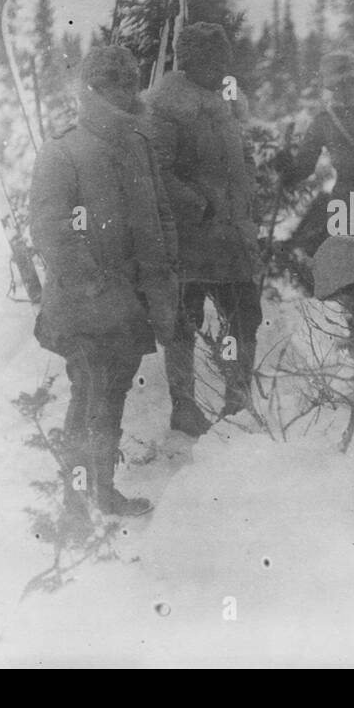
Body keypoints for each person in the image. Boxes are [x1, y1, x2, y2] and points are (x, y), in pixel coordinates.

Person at [30, 46, 177, 517]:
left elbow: (159, 217)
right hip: (84, 304)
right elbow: (51, 232)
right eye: (111, 83)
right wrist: (94, 284)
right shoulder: (63, 152)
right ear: (91, 89)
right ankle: (73, 501)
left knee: (112, 395)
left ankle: (103, 490)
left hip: (130, 303)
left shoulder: (139, 146)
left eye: (128, 82)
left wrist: (162, 278)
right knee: (87, 394)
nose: (122, 91)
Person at [141, 23, 262, 436]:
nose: (221, 68)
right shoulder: (165, 107)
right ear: (190, 61)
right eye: (213, 61)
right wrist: (200, 204)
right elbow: (157, 170)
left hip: (231, 236)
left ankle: (238, 397)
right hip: (193, 238)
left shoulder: (221, 99)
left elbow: (239, 153)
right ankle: (184, 406)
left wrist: (249, 189)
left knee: (244, 314)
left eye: (223, 60)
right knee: (184, 321)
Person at [270, 51, 354, 282]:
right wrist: (285, 167)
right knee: (349, 275)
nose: (348, 87)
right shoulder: (323, 121)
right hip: (348, 201)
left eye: (352, 80)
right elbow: (303, 167)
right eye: (340, 82)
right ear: (330, 85)